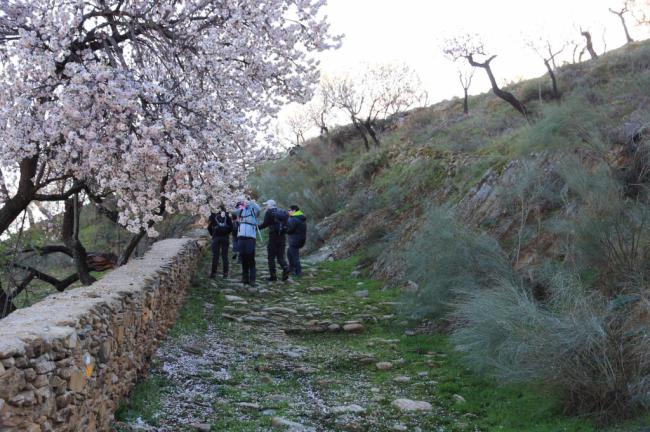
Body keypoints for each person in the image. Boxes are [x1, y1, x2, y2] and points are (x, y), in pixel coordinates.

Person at [258, 199, 290, 281]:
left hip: (273, 237)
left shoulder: (269, 212)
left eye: (266, 205)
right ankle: (285, 267)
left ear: (269, 205)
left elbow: (265, 224)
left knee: (271, 257)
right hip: (282, 237)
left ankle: (273, 276)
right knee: (280, 257)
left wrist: (256, 228)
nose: (266, 206)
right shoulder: (282, 212)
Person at [236, 198, 260, 286]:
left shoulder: (253, 210)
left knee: (250, 258)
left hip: (251, 238)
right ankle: (244, 278)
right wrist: (241, 205)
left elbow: (259, 209)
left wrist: (252, 203)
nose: (246, 203)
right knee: (243, 257)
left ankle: (252, 279)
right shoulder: (241, 210)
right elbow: (233, 211)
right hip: (241, 237)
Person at [207, 205, 233, 279]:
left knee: (215, 256)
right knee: (225, 256)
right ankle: (225, 273)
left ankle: (213, 273)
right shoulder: (227, 216)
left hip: (216, 238)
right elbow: (231, 227)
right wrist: (227, 233)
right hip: (225, 238)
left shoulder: (213, 215)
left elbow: (209, 227)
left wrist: (213, 234)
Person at [286, 205, 307, 277]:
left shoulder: (293, 219)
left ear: (294, 211)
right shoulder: (301, 217)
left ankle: (298, 272)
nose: (288, 212)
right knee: (289, 252)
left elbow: (289, 230)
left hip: (294, 240)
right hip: (301, 239)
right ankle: (291, 268)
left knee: (295, 256)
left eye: (289, 210)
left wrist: (284, 229)